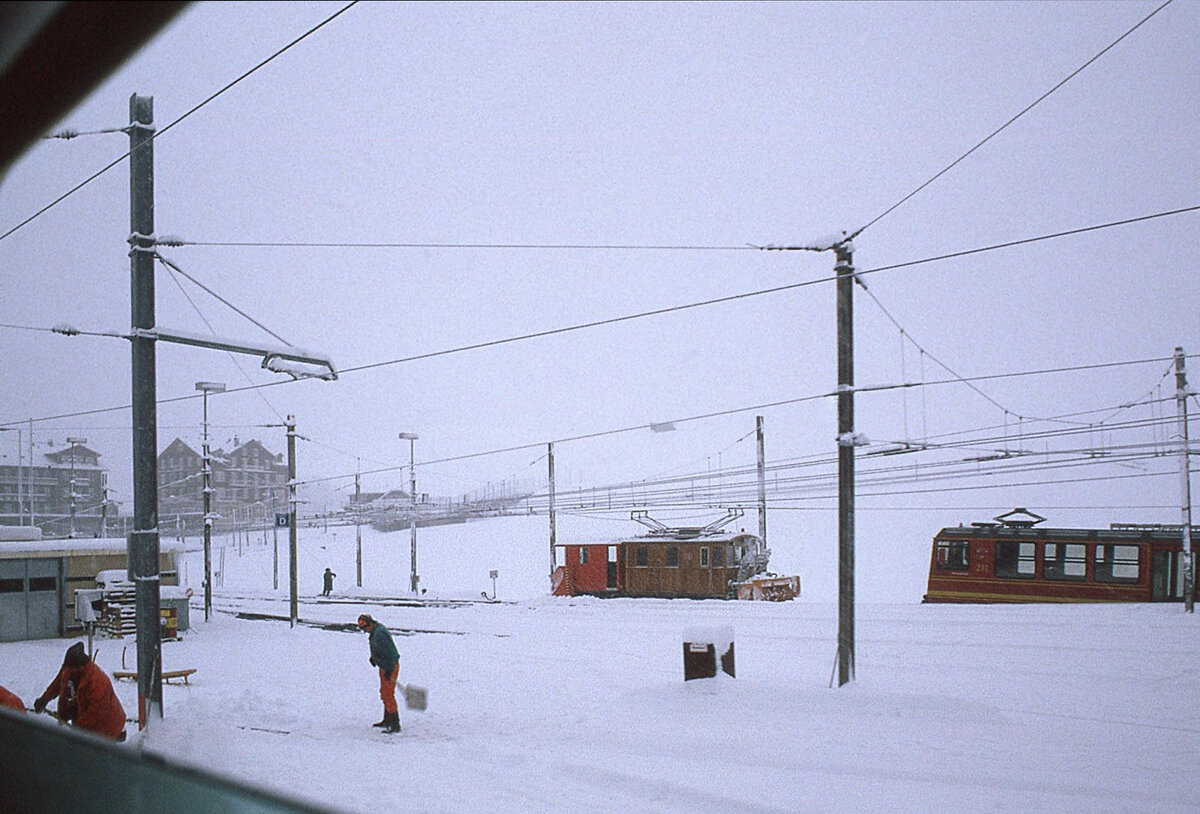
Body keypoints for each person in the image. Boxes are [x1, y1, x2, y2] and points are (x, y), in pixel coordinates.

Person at [33, 642, 126, 741]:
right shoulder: (69, 668)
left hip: (106, 728)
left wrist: (78, 727)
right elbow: (57, 684)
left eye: (73, 669)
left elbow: (95, 712)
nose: (69, 671)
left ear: (81, 667)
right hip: (85, 722)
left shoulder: (97, 681)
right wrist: (44, 699)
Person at [356, 614, 400, 732]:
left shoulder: (380, 633)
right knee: (384, 693)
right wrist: (374, 657)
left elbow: (390, 653)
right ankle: (387, 720)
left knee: (388, 695)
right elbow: (380, 649)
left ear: (370, 624)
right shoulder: (375, 631)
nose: (365, 631)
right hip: (384, 666)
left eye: (365, 629)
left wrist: (389, 670)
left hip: (389, 666)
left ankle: (395, 724)